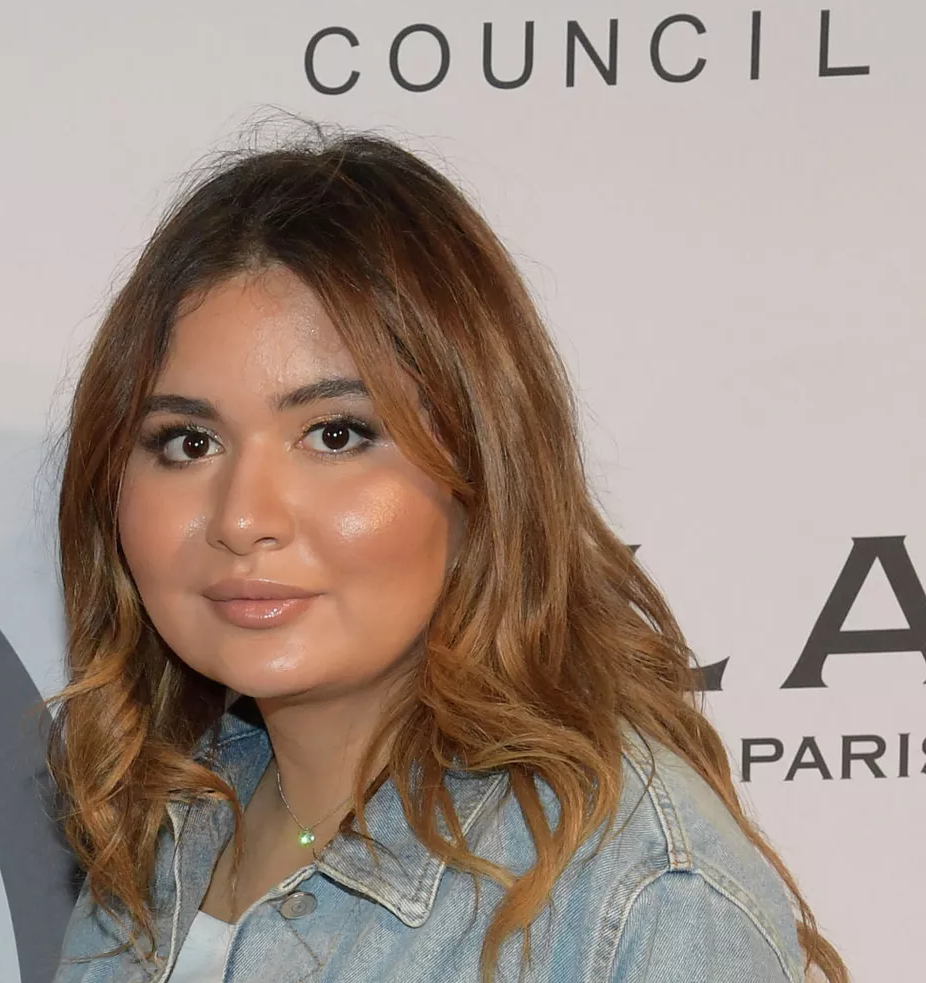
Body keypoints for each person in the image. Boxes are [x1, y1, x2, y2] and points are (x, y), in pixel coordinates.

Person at [47, 133, 846, 983]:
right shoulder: (162, 831)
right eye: (189, 441)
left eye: (336, 434)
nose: (243, 518)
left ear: (481, 471)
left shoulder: (635, 893)